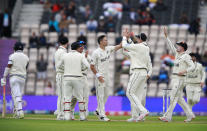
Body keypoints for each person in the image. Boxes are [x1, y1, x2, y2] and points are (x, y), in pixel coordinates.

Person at [159, 27, 195, 122]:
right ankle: (190, 115)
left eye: (178, 45)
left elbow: (192, 66)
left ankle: (167, 117)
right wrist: (166, 35)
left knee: (173, 97)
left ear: (182, 47)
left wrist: (184, 71)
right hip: (175, 78)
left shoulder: (186, 56)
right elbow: (170, 45)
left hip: (180, 78)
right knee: (179, 99)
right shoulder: (177, 54)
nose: (177, 47)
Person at [122, 31, 152, 122]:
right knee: (135, 95)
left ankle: (143, 111)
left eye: (137, 38)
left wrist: (124, 37)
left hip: (138, 72)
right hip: (142, 73)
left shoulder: (139, 47)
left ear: (140, 39)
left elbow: (125, 46)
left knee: (129, 92)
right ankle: (135, 116)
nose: (136, 39)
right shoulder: (145, 48)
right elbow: (130, 48)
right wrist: (129, 39)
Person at [90, 35, 122, 121]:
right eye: (105, 40)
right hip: (100, 76)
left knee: (107, 94)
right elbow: (92, 66)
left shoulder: (108, 49)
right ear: (100, 42)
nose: (107, 42)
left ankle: (97, 110)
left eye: (107, 40)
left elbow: (119, 46)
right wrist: (98, 76)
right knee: (100, 96)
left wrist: (126, 38)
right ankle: (102, 115)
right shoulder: (96, 52)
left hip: (107, 76)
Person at [59, 41, 90, 121]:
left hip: (67, 78)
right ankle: (82, 117)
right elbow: (87, 66)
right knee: (80, 98)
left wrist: (66, 69)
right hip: (78, 78)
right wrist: (82, 69)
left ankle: (66, 117)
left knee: (67, 98)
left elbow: (59, 66)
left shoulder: (65, 55)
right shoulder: (80, 56)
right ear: (77, 48)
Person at [1, 42, 29, 119]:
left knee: (16, 95)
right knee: (17, 95)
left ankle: (20, 112)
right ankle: (16, 111)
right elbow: (25, 68)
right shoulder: (26, 57)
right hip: (22, 78)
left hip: (14, 77)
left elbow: (8, 66)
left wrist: (4, 77)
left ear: (15, 48)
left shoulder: (12, 56)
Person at [54, 36, 68, 120]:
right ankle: (60, 114)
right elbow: (63, 65)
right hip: (61, 74)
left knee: (62, 95)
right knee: (62, 95)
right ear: (67, 43)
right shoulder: (63, 52)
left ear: (59, 43)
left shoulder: (57, 51)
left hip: (61, 74)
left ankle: (60, 111)